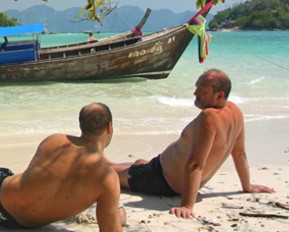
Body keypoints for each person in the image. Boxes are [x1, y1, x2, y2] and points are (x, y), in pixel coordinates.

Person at [0, 103, 126, 232]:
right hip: (10, 222)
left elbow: (35, 181)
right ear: (109, 128)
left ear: (81, 125)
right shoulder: (107, 178)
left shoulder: (55, 141)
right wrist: (120, 216)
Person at [113, 69, 274, 219]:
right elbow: (239, 153)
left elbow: (196, 164)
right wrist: (247, 186)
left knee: (106, 172)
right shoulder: (235, 112)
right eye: (197, 87)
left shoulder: (209, 117)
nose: (195, 93)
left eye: (202, 91)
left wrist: (187, 205)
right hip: (159, 168)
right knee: (137, 163)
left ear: (219, 95)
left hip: (161, 181)